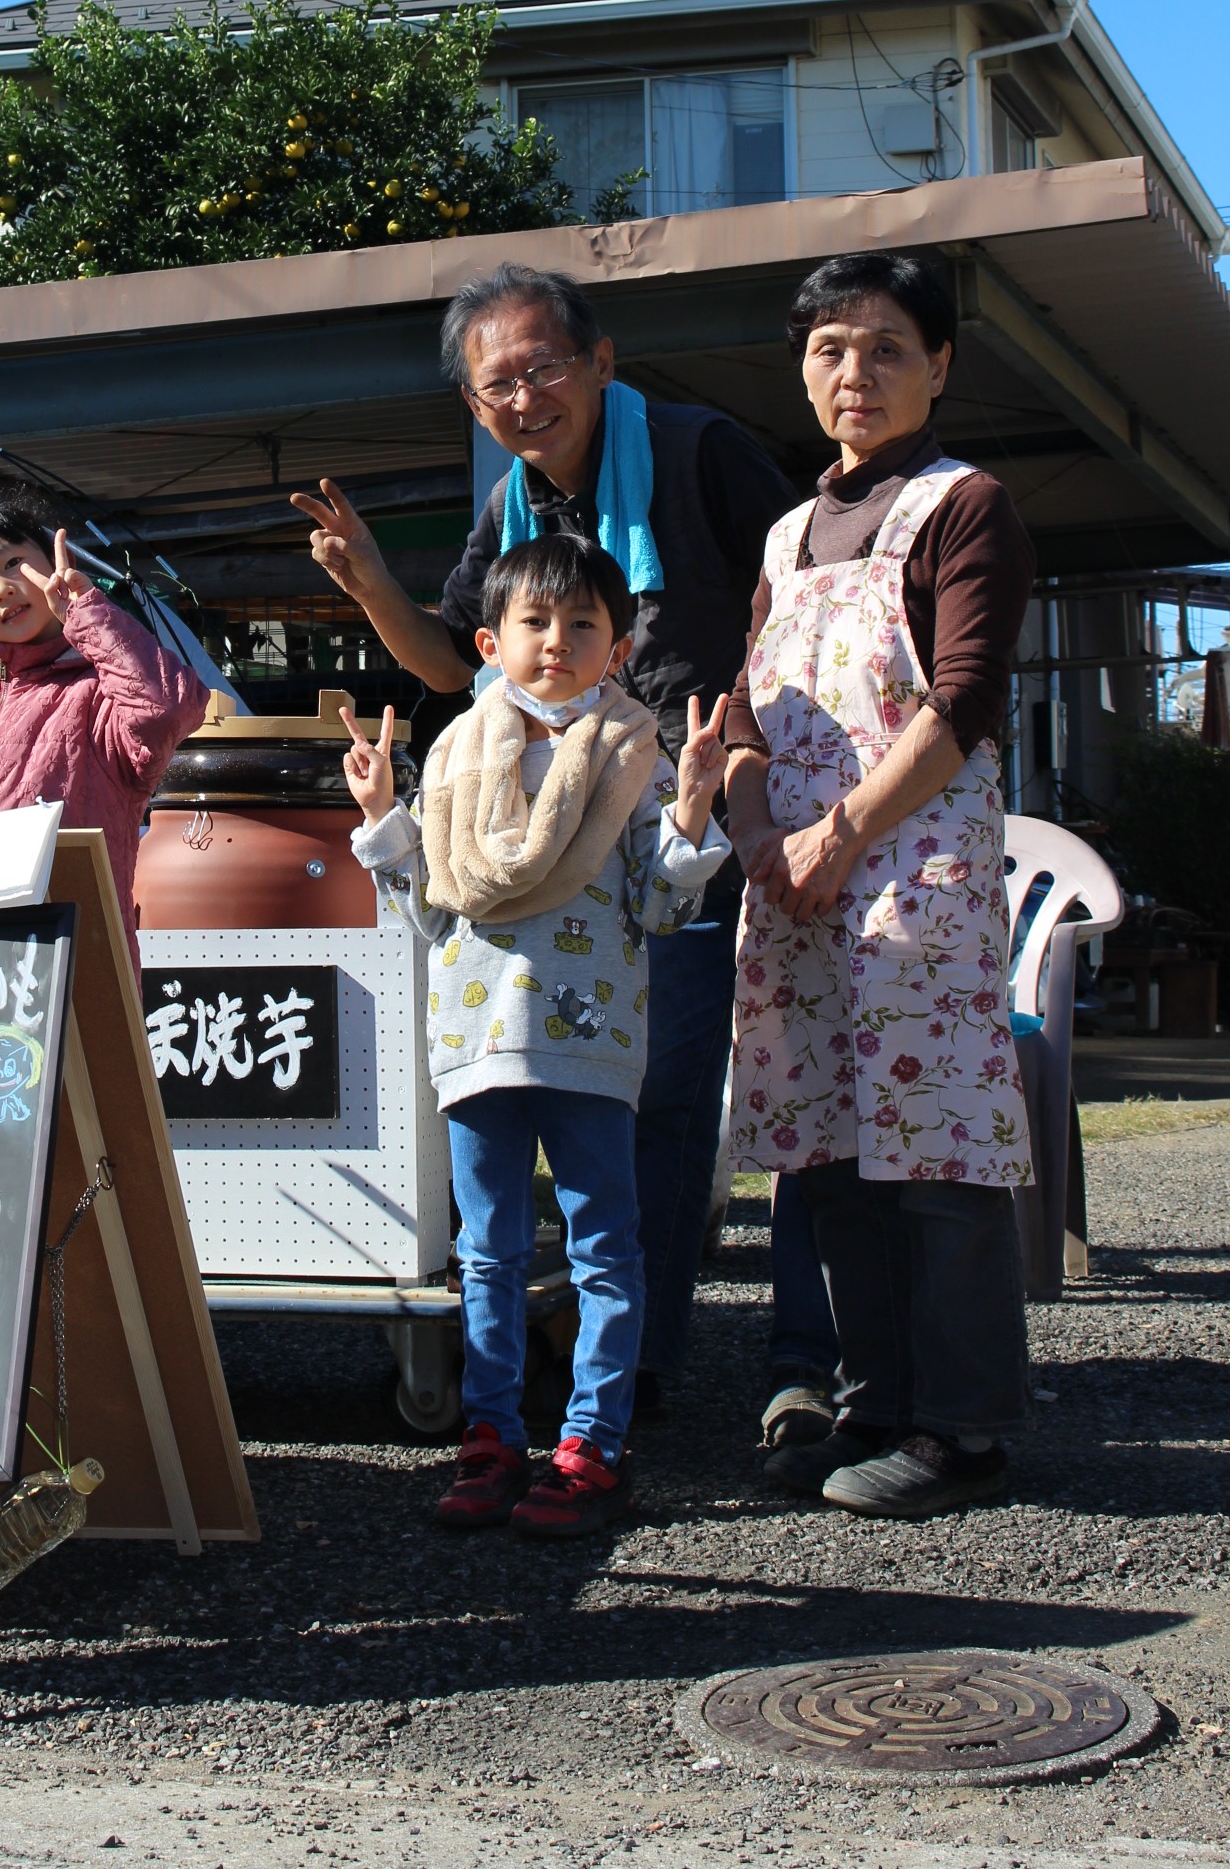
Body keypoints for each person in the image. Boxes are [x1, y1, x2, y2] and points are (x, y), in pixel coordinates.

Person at [295, 263, 793, 1412]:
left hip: (680, 812)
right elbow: (450, 661)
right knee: (547, 1104)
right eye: (495, 385)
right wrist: (371, 581)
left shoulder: (701, 449)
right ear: (475, 407)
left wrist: (749, 766)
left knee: (663, 1095)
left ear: (601, 361)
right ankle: (566, 1361)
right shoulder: (515, 506)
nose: (523, 399)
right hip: (537, 847)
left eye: (543, 368)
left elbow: (792, 596)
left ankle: (643, 1360)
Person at [724, 251, 1036, 1518]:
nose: (857, 374)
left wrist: (837, 832)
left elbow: (960, 699)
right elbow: (741, 706)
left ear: (940, 368)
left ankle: (964, 1431)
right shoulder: (788, 533)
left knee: (937, 1159)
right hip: (800, 884)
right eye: (831, 350)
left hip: (914, 871)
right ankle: (876, 1407)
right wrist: (760, 833)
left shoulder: (967, 506)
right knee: (833, 1152)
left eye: (889, 349)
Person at [342, 533, 731, 1536]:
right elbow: (431, 915)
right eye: (534, 622)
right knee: (489, 1251)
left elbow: (659, 911)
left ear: (620, 648)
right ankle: (491, 1439)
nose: (556, 641)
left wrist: (688, 813)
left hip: (594, 1048)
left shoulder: (633, 758)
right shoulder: (456, 753)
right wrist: (386, 819)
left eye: (582, 625)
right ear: (487, 640)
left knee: (606, 1247)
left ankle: (593, 1446)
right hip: (476, 1042)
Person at [0, 489, 208, 958]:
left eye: (14, 563)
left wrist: (88, 614)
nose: (1, 589)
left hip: (69, 959)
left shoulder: (98, 692)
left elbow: (165, 711)